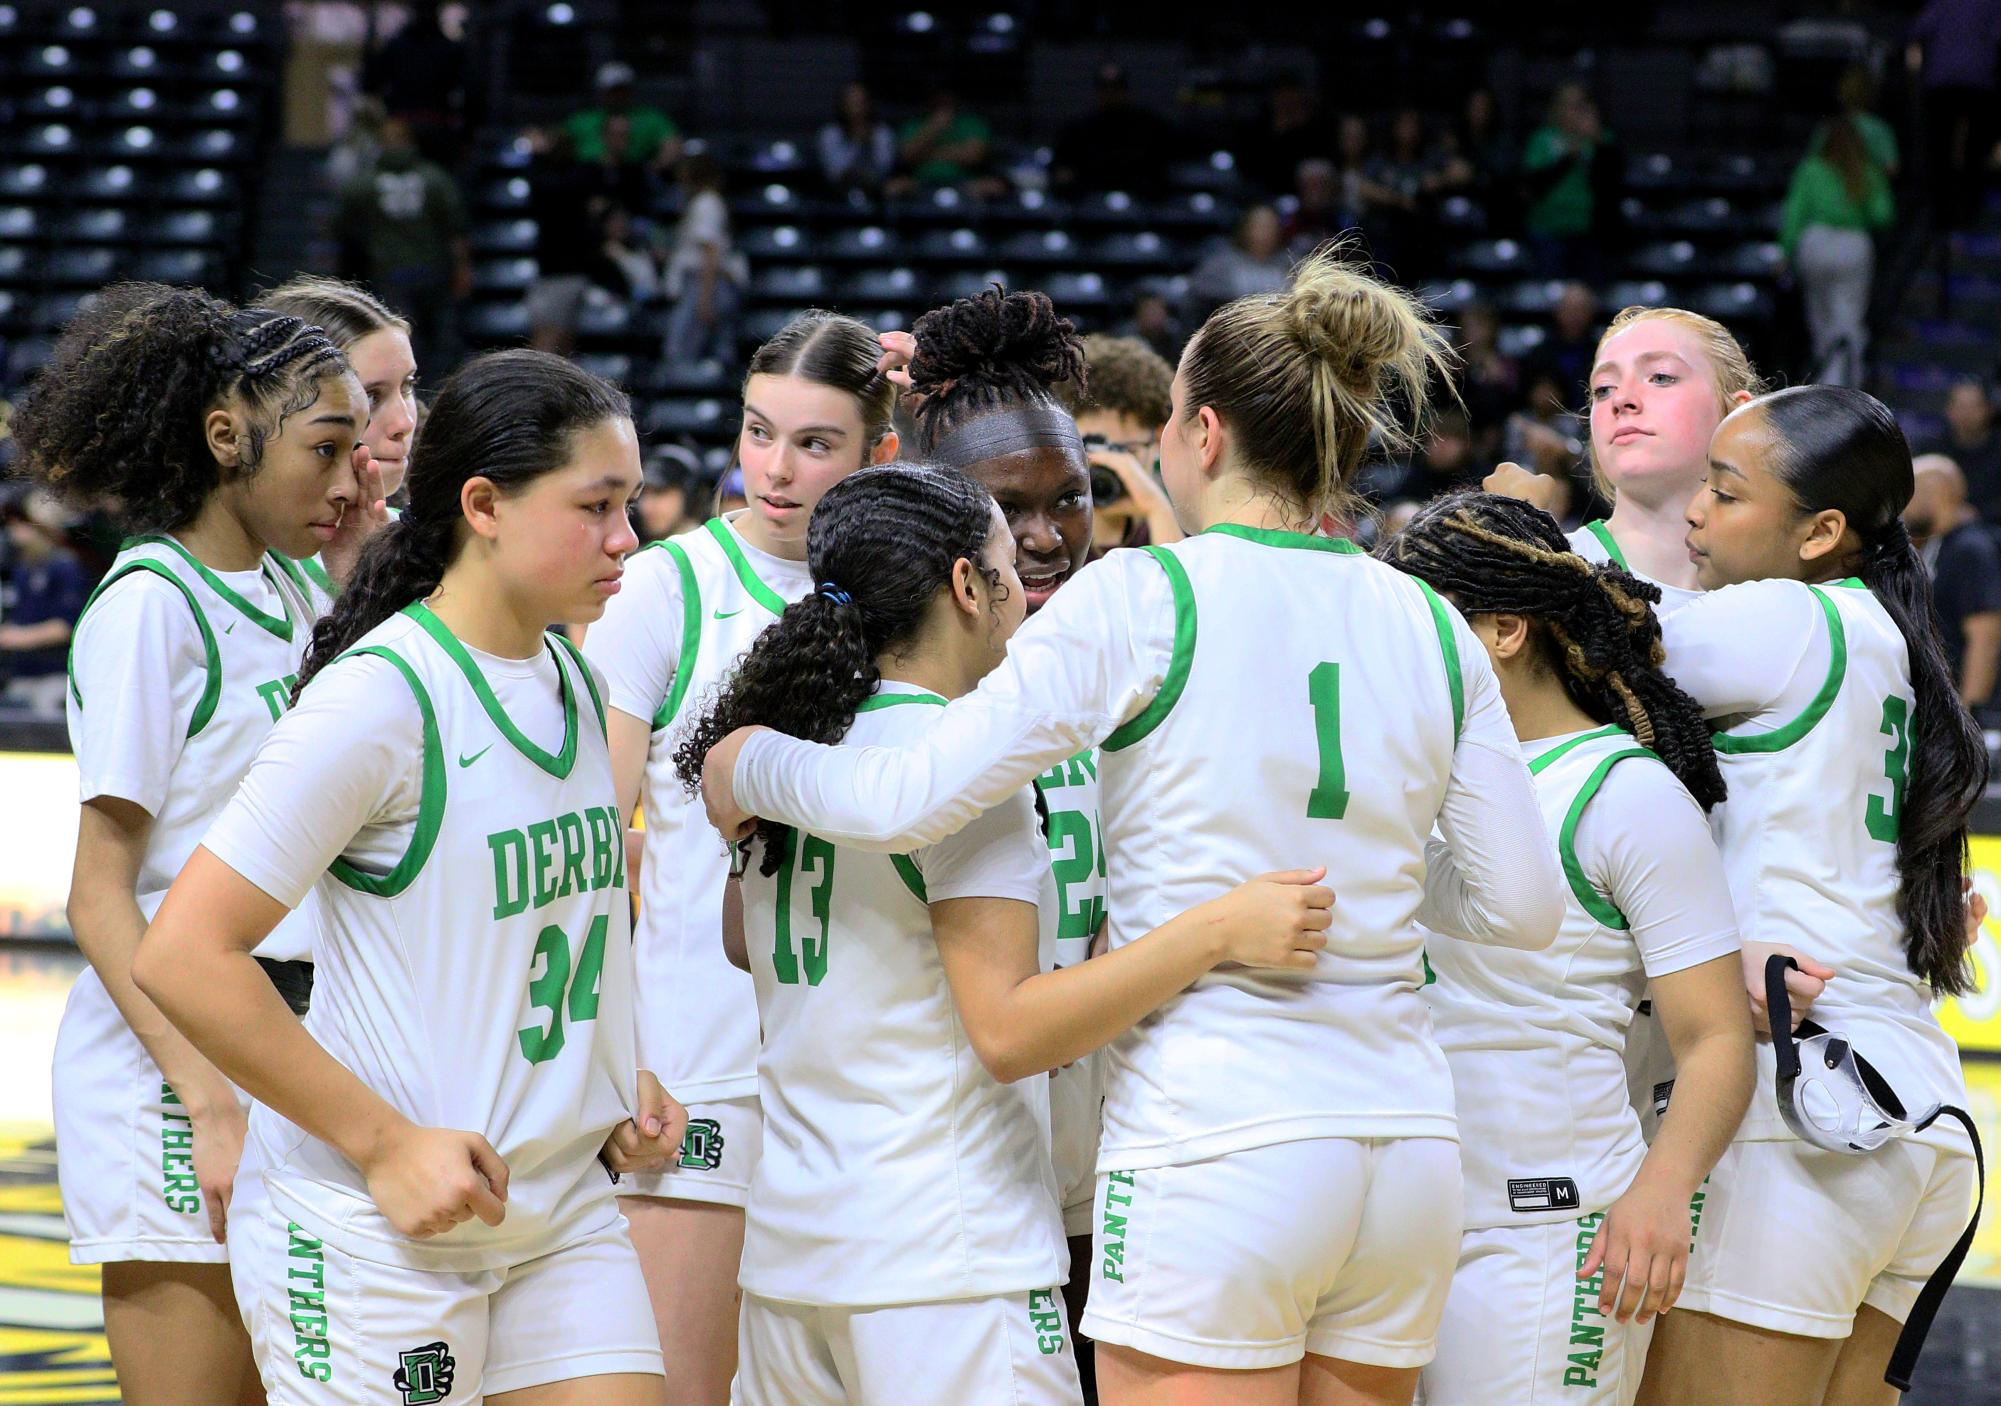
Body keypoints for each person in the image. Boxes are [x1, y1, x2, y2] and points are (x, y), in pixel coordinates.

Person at [702, 250, 1567, 1406]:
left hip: (1216, 1138)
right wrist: (1373, 893)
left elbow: (909, 798)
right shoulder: (1427, 615)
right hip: (1406, 1143)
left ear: (1202, 434)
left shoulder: (1142, 597)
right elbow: (1524, 907)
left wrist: (750, 756)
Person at [672, 461, 1338, 1405]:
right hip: (945, 1261)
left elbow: (746, 941)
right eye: (1006, 568)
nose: (1028, 592)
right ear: (964, 586)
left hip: (792, 1258)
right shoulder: (962, 772)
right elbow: (1011, 1033)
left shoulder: (798, 745)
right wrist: (1215, 931)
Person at [132, 350, 681, 1406]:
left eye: (628, 504)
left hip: (556, 1203)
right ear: (484, 504)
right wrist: (384, 1144)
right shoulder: (380, 699)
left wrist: (615, 1068)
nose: (628, 537)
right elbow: (184, 949)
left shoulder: (572, 670)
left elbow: (569, 917)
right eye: (598, 505)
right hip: (373, 1222)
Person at [14, 284, 363, 1404]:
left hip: (289, 1034)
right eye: (327, 447)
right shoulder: (149, 606)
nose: (351, 478)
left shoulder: (298, 582)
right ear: (228, 437)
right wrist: (208, 1097)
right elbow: (100, 891)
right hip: (178, 1058)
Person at [1639, 385, 1988, 1406]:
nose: (1695, 509)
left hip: (1804, 1113)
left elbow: (1579, 635)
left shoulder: (1785, 617)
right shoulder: (1881, 632)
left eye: (1723, 488)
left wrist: (1532, 519)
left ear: (1822, 531)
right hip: (1918, 1111)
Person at [581, 312, 899, 1406]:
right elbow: (583, 839)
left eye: (815, 443)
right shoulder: (667, 587)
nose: (774, 467)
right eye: (760, 432)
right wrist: (610, 1051)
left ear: (879, 456)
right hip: (696, 1075)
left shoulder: (902, 602)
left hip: (860, 1092)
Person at [1381, 492, 1754, 1405]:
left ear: (1503, 631)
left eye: (1424, 627)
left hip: (1542, 1229)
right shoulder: (1417, 773)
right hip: (1402, 1219)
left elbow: (1714, 1038)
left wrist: (1661, 1194)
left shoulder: (1624, 791)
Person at [1489, 307, 1765, 613]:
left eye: (1660, 377)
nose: (1621, 400)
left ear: (1736, 414)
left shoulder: (1795, 590)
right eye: (1604, 390)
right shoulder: (1546, 578)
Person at [261, 276, 420, 505]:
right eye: (370, 396)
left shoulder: (423, 538)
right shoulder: (223, 540)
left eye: (408, 385)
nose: (404, 424)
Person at [332, 116, 469, 376]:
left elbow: (343, 224)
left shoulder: (365, 182)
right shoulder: (434, 177)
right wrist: (462, 267)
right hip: (429, 271)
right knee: (432, 340)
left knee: (402, 336)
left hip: (392, 271)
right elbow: (456, 228)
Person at [1780, 118, 1893, 387]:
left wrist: (1784, 252)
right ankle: (1843, 384)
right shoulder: (1866, 171)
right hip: (1852, 244)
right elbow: (1883, 214)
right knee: (1848, 316)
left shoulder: (1811, 169)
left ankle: (1827, 382)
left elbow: (1794, 214)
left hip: (1815, 242)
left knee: (1819, 316)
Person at [1060, 332, 1183, 552]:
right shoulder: (1050, 535)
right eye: (1089, 449)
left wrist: (1157, 510)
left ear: (1158, 440)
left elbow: (1181, 585)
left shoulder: (1186, 520)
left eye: (1123, 452)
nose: (1109, 466)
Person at [1906, 453, 2001, 712]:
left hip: (1968, 710)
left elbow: (1985, 634)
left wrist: (1967, 713)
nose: (1904, 505)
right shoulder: (1938, 545)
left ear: (1939, 493)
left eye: (1911, 493)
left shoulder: (1970, 549)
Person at [0, 490, 89, 714]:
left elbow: (67, 626)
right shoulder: (23, 568)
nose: (14, 528)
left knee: (49, 707)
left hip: (56, 674)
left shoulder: (66, 566)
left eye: (22, 521)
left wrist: (18, 637)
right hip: (22, 674)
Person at [1521, 84, 1621, 279]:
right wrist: (1569, 156)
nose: (1575, 111)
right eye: (1569, 105)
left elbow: (1612, 182)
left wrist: (1597, 141)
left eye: (1580, 105)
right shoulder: (1542, 139)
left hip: (1589, 231)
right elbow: (1534, 184)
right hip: (1548, 229)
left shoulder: (1601, 140)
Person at [664, 155, 748, 368]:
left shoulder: (706, 203)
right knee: (715, 353)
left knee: (680, 354)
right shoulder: (707, 202)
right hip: (707, 284)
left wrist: (705, 299)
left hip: (704, 284)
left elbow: (711, 251)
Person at [1052, 64, 1178, 197]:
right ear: (1097, 92)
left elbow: (1166, 163)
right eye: (1105, 88)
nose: (1110, 94)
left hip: (1143, 204)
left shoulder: (1150, 127)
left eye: (1116, 88)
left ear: (1126, 91)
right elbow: (1062, 165)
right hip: (1089, 201)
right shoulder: (1077, 131)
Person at [1186, 205, 1291, 325]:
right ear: (1245, 228)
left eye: (1270, 227)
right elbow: (1200, 302)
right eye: (1259, 226)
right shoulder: (1220, 264)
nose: (1265, 233)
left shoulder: (1290, 263)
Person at [568, 61, 682, 172]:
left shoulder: (651, 117)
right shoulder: (582, 119)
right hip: (588, 174)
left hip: (637, 174)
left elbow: (671, 146)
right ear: (601, 91)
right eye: (612, 91)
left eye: (622, 90)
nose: (617, 96)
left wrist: (654, 168)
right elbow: (558, 140)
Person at [891, 86, 1001, 199]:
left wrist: (927, 153)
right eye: (938, 100)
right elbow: (907, 156)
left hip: (965, 182)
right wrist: (933, 128)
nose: (943, 104)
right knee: (894, 188)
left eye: (946, 100)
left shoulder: (972, 123)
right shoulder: (913, 125)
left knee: (994, 187)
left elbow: (974, 157)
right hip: (920, 182)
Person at [1920, 379, 2001, 523]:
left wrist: (1977, 514)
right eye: (1961, 406)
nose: (1967, 414)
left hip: (1989, 529)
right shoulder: (1931, 450)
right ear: (1949, 410)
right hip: (1936, 525)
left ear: (1989, 410)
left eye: (1973, 407)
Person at [817, 82, 896, 198]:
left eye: (860, 102)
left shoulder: (882, 133)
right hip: (838, 194)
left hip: (877, 192)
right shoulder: (829, 134)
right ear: (842, 105)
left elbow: (884, 168)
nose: (857, 108)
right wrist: (857, 143)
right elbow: (836, 173)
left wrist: (868, 142)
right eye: (852, 102)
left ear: (869, 104)